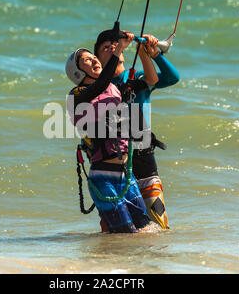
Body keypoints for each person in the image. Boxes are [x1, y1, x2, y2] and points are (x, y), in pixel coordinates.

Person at [65, 31, 153, 233]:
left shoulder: (112, 88)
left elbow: (150, 81)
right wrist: (118, 50)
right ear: (78, 72)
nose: (94, 60)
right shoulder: (76, 96)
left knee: (146, 231)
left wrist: (146, 51)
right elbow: (101, 83)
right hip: (103, 178)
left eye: (94, 57)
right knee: (125, 236)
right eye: (87, 60)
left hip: (126, 175)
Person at [94, 29, 180, 230]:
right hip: (112, 161)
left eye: (115, 46)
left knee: (157, 221)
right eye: (106, 48)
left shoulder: (138, 77)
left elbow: (172, 78)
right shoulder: (98, 86)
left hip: (142, 156)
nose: (112, 49)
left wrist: (150, 53)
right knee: (115, 230)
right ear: (97, 59)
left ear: (123, 54)